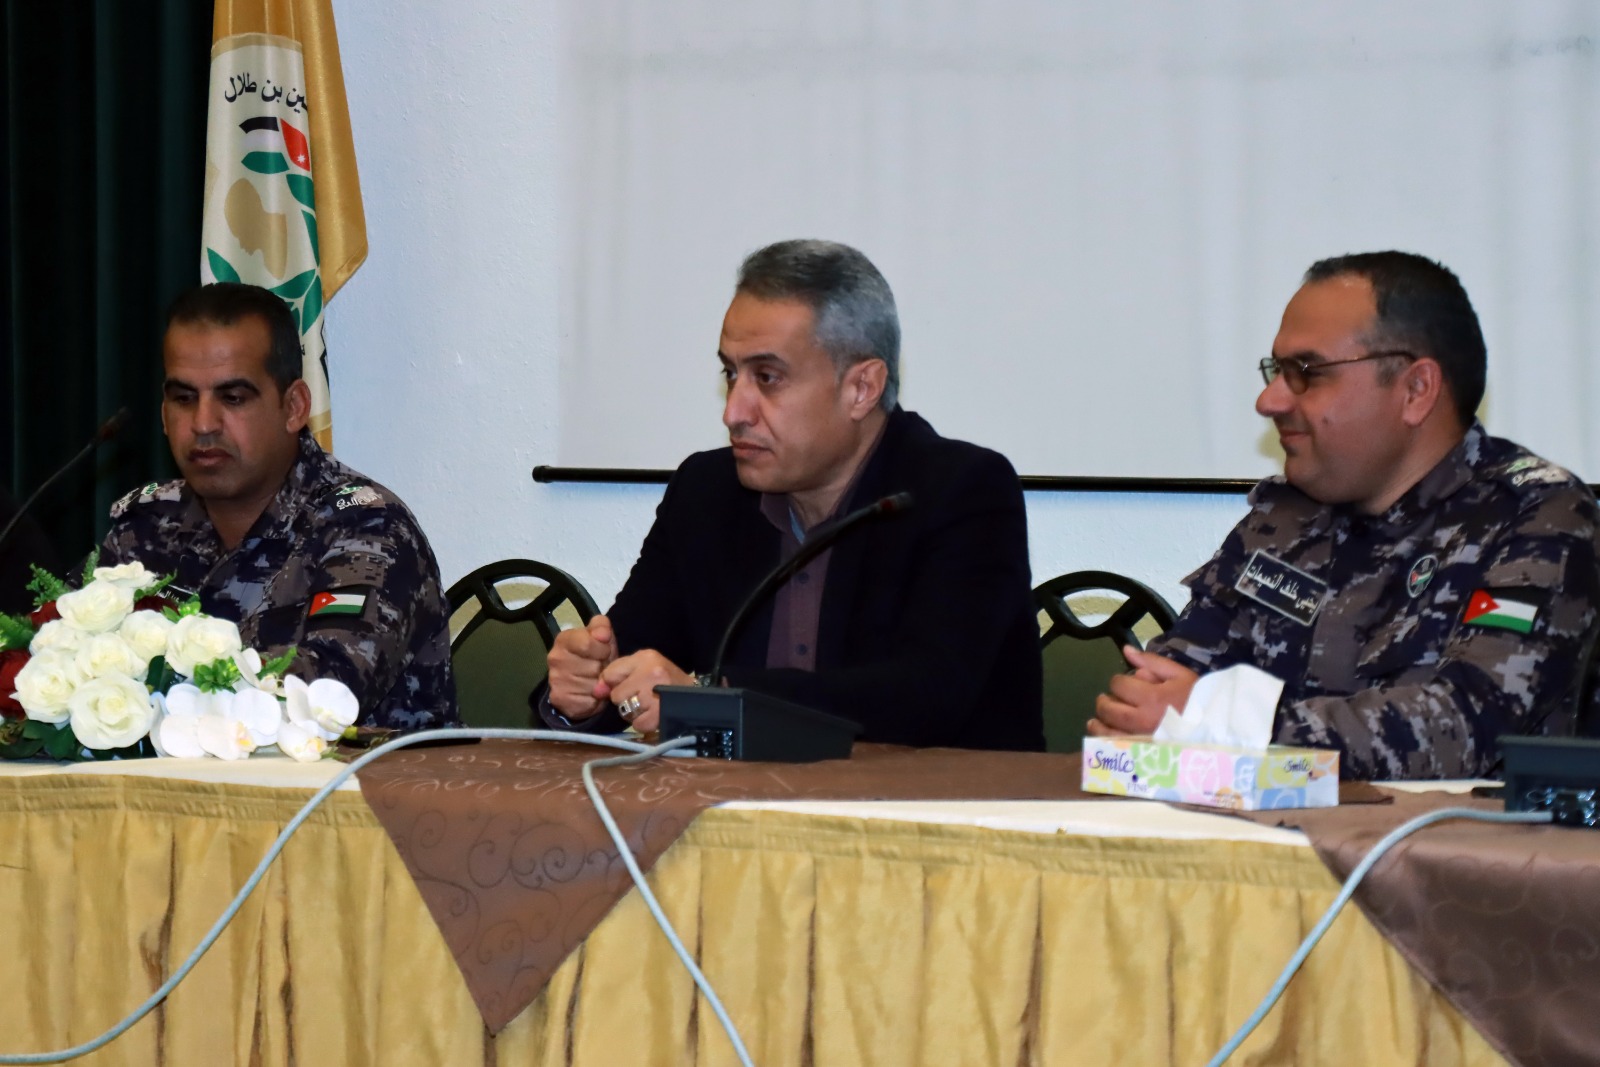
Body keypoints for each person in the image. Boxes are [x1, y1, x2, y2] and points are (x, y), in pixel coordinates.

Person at [1092, 251, 1600, 779]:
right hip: (1258, 844)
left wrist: (1226, 723)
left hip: (1438, 855)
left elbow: (1467, 725)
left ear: (1415, 391)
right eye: (1275, 370)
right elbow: (1164, 693)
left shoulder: (1536, 517)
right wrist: (1159, 716)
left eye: (1305, 373)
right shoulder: (1287, 519)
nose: (1269, 400)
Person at [543, 239, 1043, 750]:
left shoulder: (960, 490)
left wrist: (713, 696)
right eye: (730, 374)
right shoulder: (707, 493)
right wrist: (587, 689)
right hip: (738, 815)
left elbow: (927, 696)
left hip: (936, 816)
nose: (734, 411)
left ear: (862, 388)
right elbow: (632, 655)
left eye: (767, 377)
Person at [100, 282, 458, 731]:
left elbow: (328, 692)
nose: (204, 424)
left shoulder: (366, 528)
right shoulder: (145, 523)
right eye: (184, 398)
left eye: (233, 398)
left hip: (354, 796)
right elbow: (60, 646)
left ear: (294, 407)